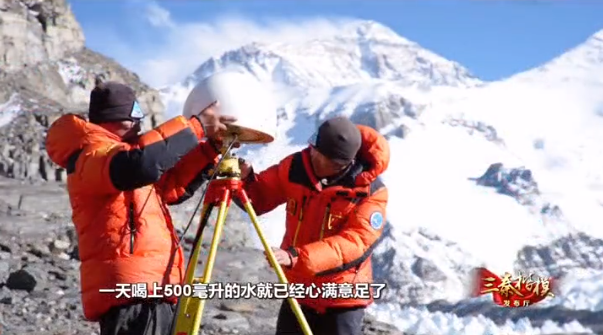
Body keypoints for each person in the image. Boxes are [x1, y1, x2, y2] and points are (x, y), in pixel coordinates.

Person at [45, 80, 236, 335]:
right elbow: (140, 166)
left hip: (154, 287)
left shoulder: (121, 156)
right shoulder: (91, 155)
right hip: (132, 292)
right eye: (133, 117)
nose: (138, 124)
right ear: (112, 118)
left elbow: (170, 185)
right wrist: (195, 127)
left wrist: (210, 149)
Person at [238, 116, 390, 335]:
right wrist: (247, 180)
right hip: (300, 291)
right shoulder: (296, 166)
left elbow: (354, 243)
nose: (313, 158)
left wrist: (296, 257)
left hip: (342, 298)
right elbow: (261, 198)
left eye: (322, 158)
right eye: (313, 150)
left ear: (343, 164)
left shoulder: (372, 193)